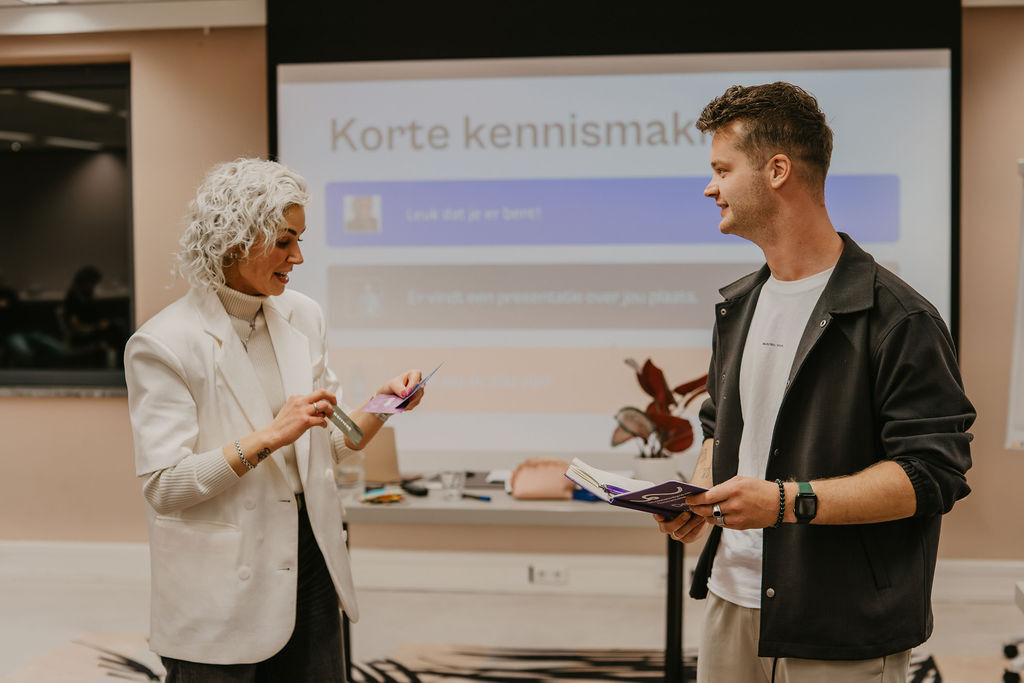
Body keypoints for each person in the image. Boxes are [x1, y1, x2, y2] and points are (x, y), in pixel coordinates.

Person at [656, 82, 974, 682]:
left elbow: (932, 473)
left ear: (777, 171)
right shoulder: (738, 306)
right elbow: (716, 426)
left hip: (842, 623)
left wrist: (785, 502)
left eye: (722, 169)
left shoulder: (899, 318)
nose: (709, 187)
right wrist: (701, 490)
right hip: (730, 603)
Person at [124, 158, 423, 682]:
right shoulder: (163, 344)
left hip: (311, 558)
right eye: (285, 241)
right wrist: (268, 437)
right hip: (221, 581)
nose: (298, 257)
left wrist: (381, 405)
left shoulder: (302, 315)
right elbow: (164, 486)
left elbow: (324, 445)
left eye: (300, 240)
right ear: (237, 240)